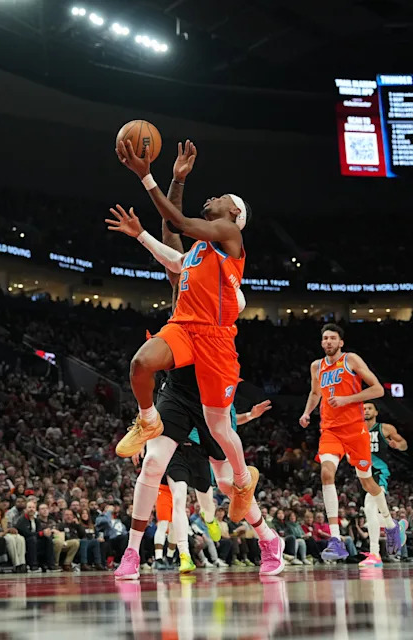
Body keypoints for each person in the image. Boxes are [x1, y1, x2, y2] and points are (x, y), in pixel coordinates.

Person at [107, 141, 279, 578]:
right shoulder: (199, 256)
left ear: (234, 214)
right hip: (182, 364)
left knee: (222, 443)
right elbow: (173, 235)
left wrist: (145, 175)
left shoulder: (229, 236)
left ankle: (263, 527)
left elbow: (180, 222)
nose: (215, 197)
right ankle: (132, 553)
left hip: (215, 349)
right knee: (150, 448)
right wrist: (175, 181)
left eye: (222, 198)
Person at [298, 324, 403, 563]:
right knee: (326, 473)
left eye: (332, 338)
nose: (328, 342)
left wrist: (348, 399)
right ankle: (336, 540)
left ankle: (389, 523)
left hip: (355, 429)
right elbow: (315, 394)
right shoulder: (317, 366)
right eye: (324, 338)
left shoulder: (351, 360)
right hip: (330, 429)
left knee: (367, 481)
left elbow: (377, 390)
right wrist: (307, 413)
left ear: (341, 342)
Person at [361, 402, 409, 567]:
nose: (366, 410)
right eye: (364, 408)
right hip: (363, 472)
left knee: (369, 506)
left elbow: (404, 444)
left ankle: (375, 553)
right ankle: (393, 526)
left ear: (376, 411)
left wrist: (397, 445)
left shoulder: (385, 428)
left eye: (369, 408)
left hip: (380, 471)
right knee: (371, 512)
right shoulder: (356, 429)